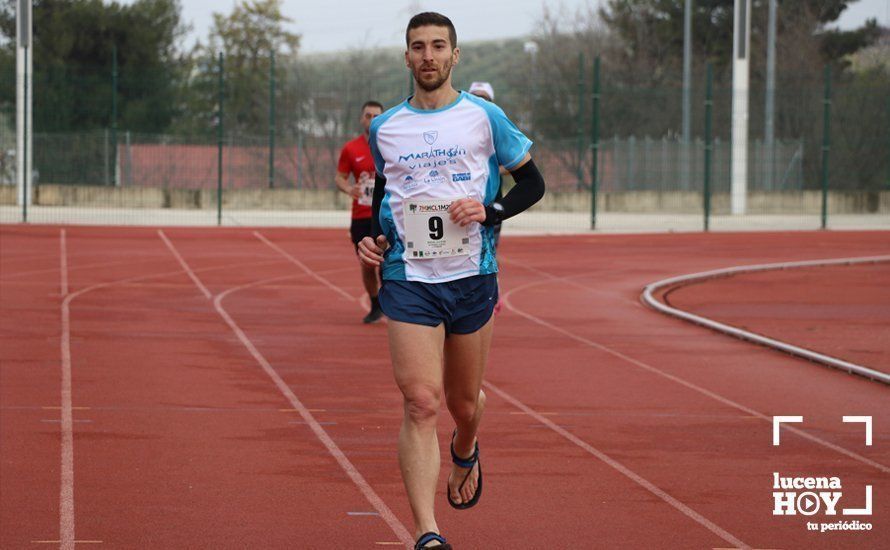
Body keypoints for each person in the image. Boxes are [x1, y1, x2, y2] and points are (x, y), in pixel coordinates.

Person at [357, 13, 546, 549]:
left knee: (464, 405)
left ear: (454, 55)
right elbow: (382, 197)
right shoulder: (385, 126)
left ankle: (467, 445)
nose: (428, 56)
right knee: (421, 401)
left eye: (438, 46)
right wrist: (374, 240)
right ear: (407, 57)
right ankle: (427, 533)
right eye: (418, 47)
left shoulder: (484, 117)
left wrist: (493, 210)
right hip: (407, 278)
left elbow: (533, 182)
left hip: (471, 276)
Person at [336, 100, 385, 323]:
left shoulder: (392, 144)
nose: (372, 120)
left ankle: (392, 303)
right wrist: (349, 189)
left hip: (387, 215)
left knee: (388, 262)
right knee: (367, 263)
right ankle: (375, 304)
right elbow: (340, 177)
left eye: (377, 116)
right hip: (362, 216)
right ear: (361, 118)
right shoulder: (351, 148)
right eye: (368, 116)